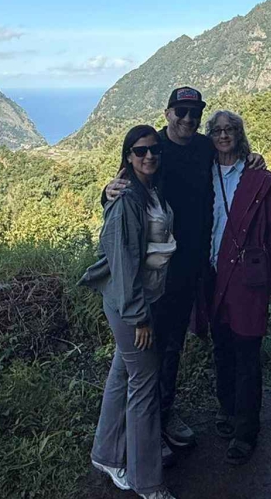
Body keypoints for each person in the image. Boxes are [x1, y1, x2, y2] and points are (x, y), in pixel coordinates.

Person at [103, 86, 265, 457]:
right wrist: (106, 191)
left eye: (195, 113)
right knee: (151, 348)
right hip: (158, 271)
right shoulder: (153, 148)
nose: (188, 119)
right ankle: (144, 428)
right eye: (181, 112)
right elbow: (125, 186)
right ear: (168, 113)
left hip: (198, 265)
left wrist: (253, 158)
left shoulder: (206, 147)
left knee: (175, 343)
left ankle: (163, 415)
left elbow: (233, 157)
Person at [82, 125, 180, 499]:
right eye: (140, 151)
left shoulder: (150, 189)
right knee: (144, 386)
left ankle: (106, 454)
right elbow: (123, 263)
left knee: (123, 373)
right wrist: (138, 316)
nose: (149, 156)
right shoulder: (126, 200)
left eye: (154, 149)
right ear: (128, 156)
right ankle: (147, 482)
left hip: (142, 298)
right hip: (130, 305)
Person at [200, 109, 271, 465]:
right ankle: (228, 409)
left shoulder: (258, 179)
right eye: (216, 130)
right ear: (209, 136)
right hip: (211, 275)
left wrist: (270, 280)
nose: (223, 136)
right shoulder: (202, 174)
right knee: (222, 348)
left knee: (247, 352)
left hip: (247, 278)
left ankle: (245, 431)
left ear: (239, 134)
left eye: (229, 129)